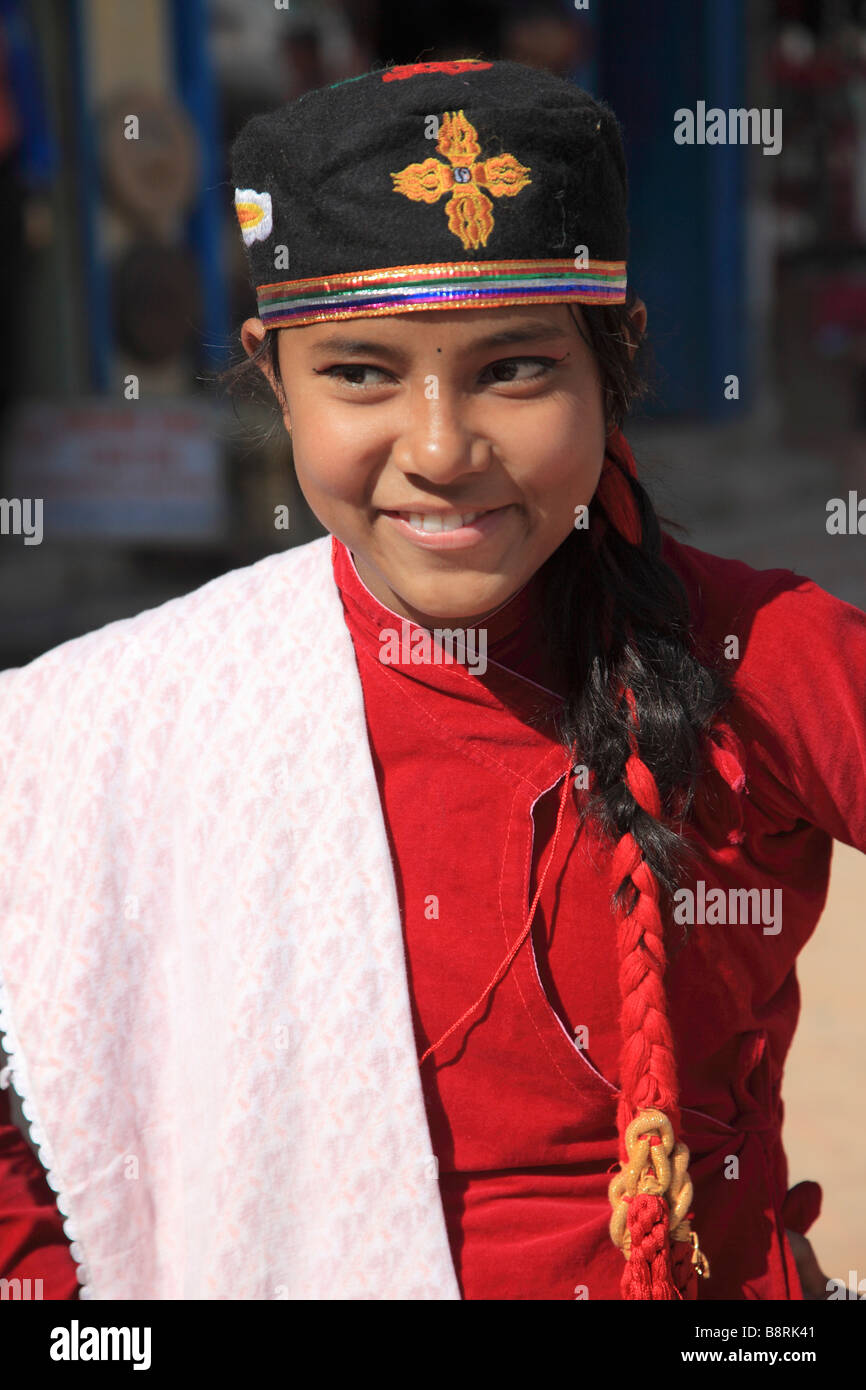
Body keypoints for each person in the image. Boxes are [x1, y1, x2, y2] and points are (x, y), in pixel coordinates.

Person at [1, 57, 864, 1301]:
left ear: (612, 359)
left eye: (514, 369)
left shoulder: (762, 655)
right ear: (272, 374)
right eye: (359, 373)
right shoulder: (118, 720)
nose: (441, 449)